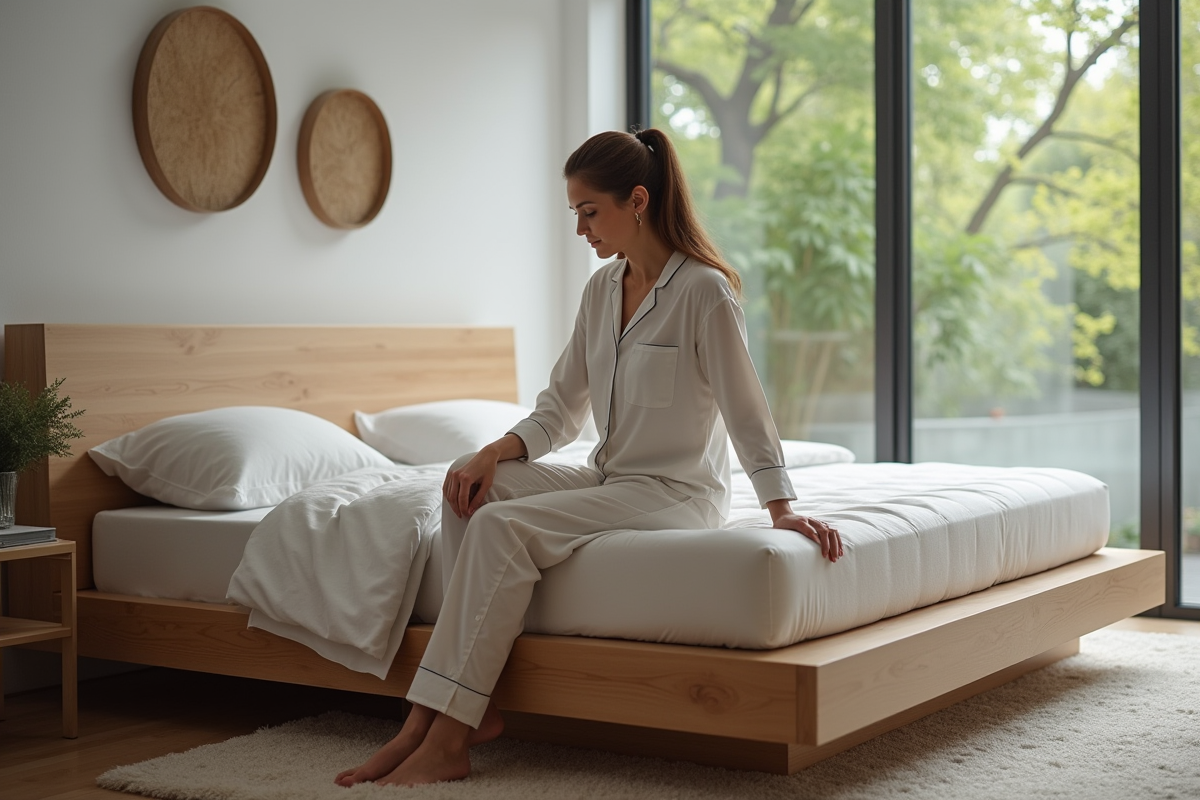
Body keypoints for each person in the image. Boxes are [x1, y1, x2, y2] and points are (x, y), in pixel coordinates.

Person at [335, 128, 843, 788]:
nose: (579, 228)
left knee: (502, 527)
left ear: (637, 201)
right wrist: (490, 452)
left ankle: (443, 733)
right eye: (574, 213)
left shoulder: (704, 292)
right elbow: (559, 410)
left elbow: (747, 410)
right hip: (610, 478)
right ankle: (452, 711)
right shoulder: (602, 291)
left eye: (588, 211)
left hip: (677, 492)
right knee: (469, 490)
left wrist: (782, 509)